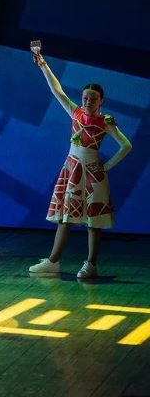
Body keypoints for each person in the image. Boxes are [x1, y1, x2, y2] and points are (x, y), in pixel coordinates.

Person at [27, 48, 132, 279]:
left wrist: (106, 167)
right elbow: (57, 90)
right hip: (73, 168)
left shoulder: (105, 122)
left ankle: (91, 264)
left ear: (101, 101)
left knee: (93, 221)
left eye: (93, 99)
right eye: (85, 98)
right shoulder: (75, 113)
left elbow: (126, 145)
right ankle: (53, 261)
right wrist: (43, 64)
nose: (87, 102)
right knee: (65, 217)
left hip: (93, 173)